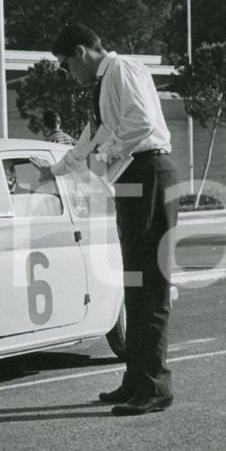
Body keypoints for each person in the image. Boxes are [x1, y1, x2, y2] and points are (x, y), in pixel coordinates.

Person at [36, 23, 178, 416]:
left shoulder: (123, 70)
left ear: (81, 52)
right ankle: (135, 380)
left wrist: (105, 159)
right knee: (134, 285)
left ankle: (155, 387)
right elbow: (90, 137)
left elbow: (142, 125)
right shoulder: (101, 85)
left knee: (151, 285)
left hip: (149, 171)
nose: (68, 74)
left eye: (66, 66)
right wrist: (57, 170)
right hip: (132, 178)